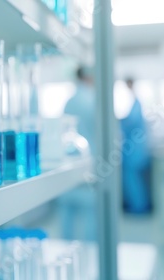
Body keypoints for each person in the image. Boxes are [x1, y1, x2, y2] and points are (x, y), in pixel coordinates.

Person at [59, 66, 97, 241]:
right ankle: (88, 254)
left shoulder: (69, 101)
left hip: (69, 164)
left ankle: (65, 249)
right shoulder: (94, 100)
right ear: (89, 76)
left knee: (67, 212)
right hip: (91, 165)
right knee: (90, 213)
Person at [120, 78, 152, 214]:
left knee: (133, 179)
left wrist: (118, 121)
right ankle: (138, 204)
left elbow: (131, 122)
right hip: (134, 148)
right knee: (133, 179)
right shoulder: (134, 102)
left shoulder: (136, 103)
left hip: (134, 150)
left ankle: (138, 206)